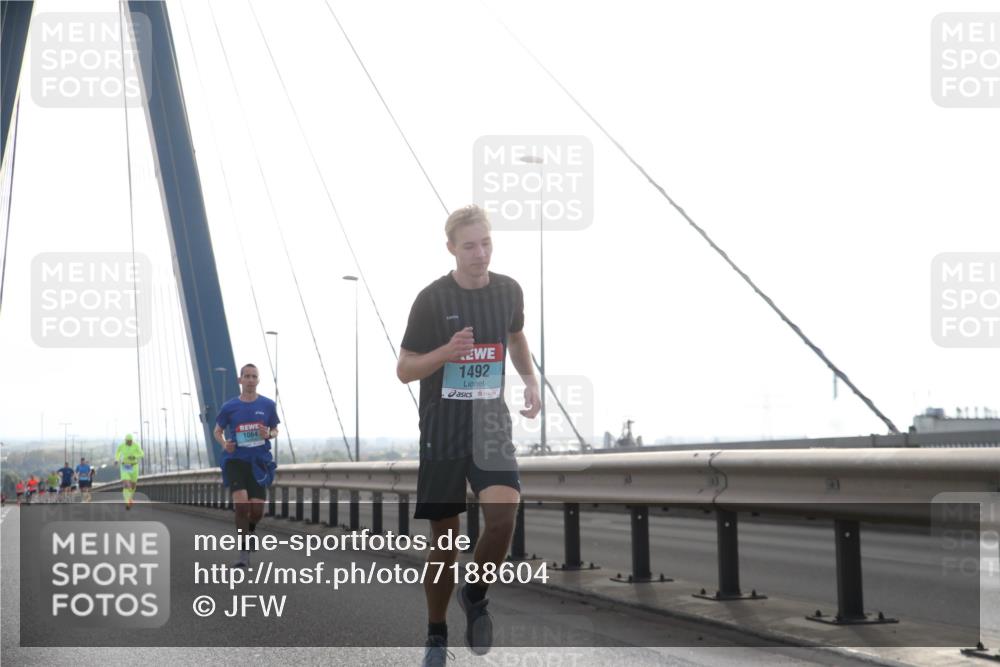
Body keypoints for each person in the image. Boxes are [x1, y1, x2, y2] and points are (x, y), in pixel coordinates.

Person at [397, 205, 541, 664]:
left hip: (490, 421)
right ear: (451, 249)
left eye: (486, 243)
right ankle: (436, 631)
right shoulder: (431, 300)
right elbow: (404, 369)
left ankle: (475, 592)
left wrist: (531, 381)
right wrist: (446, 351)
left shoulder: (508, 291)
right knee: (445, 539)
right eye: (469, 246)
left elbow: (515, 337)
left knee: (503, 515)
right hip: (443, 425)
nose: (480, 254)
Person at [214, 363, 278, 568]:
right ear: (240, 380)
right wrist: (225, 444)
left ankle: (250, 532)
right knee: (242, 505)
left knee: (257, 511)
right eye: (247, 376)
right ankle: (243, 551)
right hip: (236, 462)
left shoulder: (268, 405)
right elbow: (217, 431)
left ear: (258, 380)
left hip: (259, 462)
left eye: (254, 376)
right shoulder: (229, 407)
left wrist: (268, 434)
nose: (250, 380)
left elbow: (275, 429)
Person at [115, 434, 145, 509]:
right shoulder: (121, 446)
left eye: (130, 441)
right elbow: (118, 453)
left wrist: (135, 456)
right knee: (126, 484)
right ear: (125, 441)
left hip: (134, 466)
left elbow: (142, 454)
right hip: (125, 466)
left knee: (133, 485)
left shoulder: (136, 445)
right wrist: (117, 460)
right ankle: (127, 502)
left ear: (132, 440)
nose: (129, 442)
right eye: (128, 441)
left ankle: (130, 498)